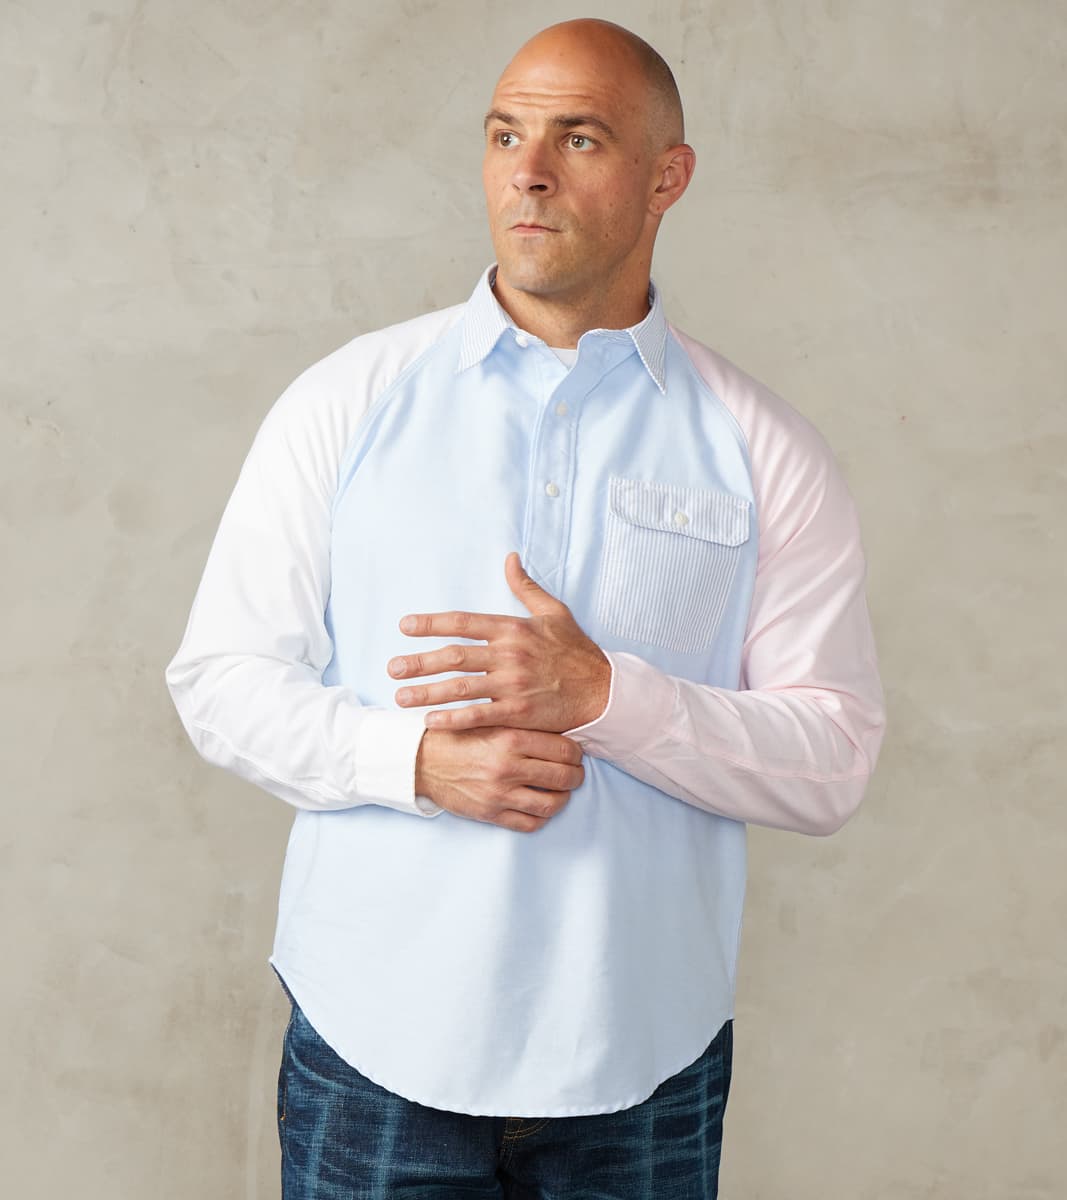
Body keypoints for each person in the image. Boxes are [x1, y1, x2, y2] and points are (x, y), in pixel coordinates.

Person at [165, 17, 885, 1199]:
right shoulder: (345, 402)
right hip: (374, 1041)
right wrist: (414, 763)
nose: (527, 172)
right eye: (504, 135)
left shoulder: (764, 448)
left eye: (577, 138)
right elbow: (220, 681)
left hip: (642, 1057)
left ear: (666, 177)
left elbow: (832, 761)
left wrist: (606, 698)